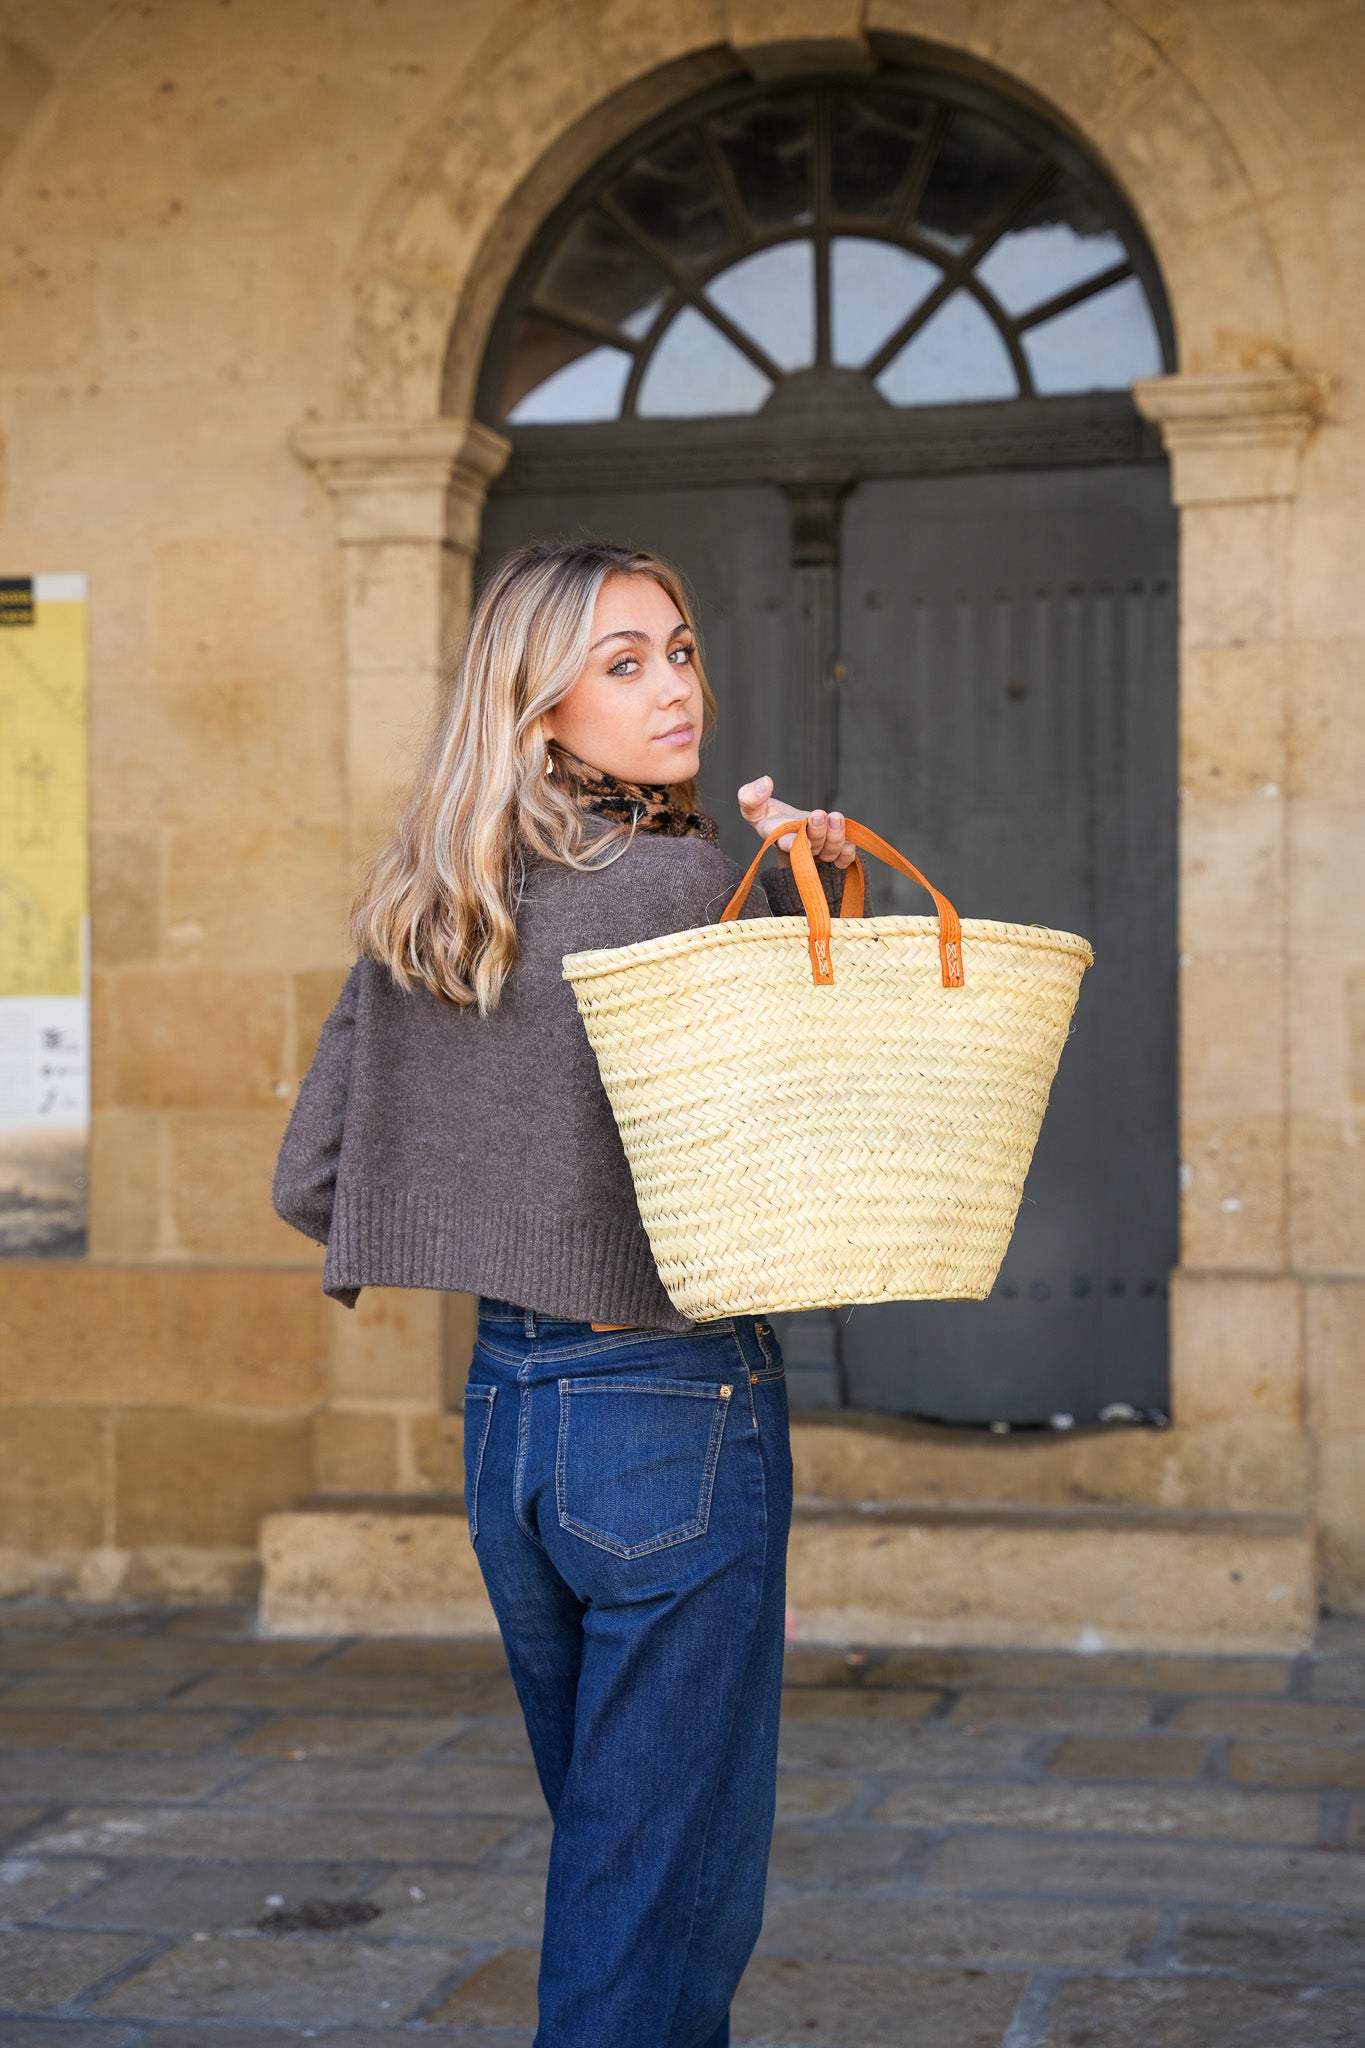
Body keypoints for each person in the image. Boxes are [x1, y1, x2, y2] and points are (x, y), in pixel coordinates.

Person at [272, 538, 857, 2048]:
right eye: (621, 664)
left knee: (621, 1859)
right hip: (670, 1407)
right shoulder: (683, 881)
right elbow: (821, 1135)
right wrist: (813, 906)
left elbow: (315, 1178)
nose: (672, 687)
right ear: (538, 713)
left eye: (677, 647)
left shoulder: (437, 905)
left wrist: (506, 1177)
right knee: (658, 1905)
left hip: (508, 1428)